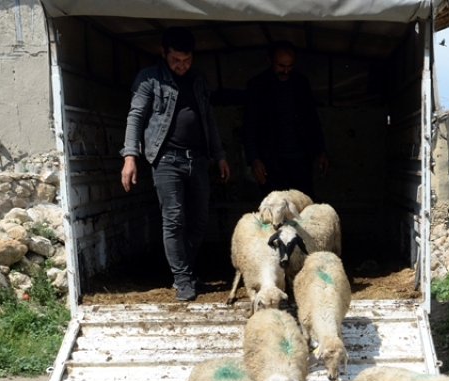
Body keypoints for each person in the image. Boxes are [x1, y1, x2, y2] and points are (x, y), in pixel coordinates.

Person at [121, 27, 230, 302]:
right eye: (176, 60)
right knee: (174, 219)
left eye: (187, 60)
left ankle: (186, 273)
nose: (182, 65)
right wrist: (130, 157)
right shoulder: (149, 79)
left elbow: (209, 119)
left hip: (198, 159)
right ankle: (182, 279)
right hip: (166, 159)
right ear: (163, 53)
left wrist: (220, 155)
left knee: (199, 219)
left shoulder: (198, 79)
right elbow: (135, 117)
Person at [243, 41, 328, 197]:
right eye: (281, 66)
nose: (286, 71)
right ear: (270, 61)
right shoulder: (257, 86)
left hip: (301, 160)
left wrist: (320, 150)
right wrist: (254, 159)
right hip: (271, 162)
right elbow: (249, 125)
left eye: (290, 66)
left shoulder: (301, 83)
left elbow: (312, 120)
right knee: (277, 207)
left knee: (303, 205)